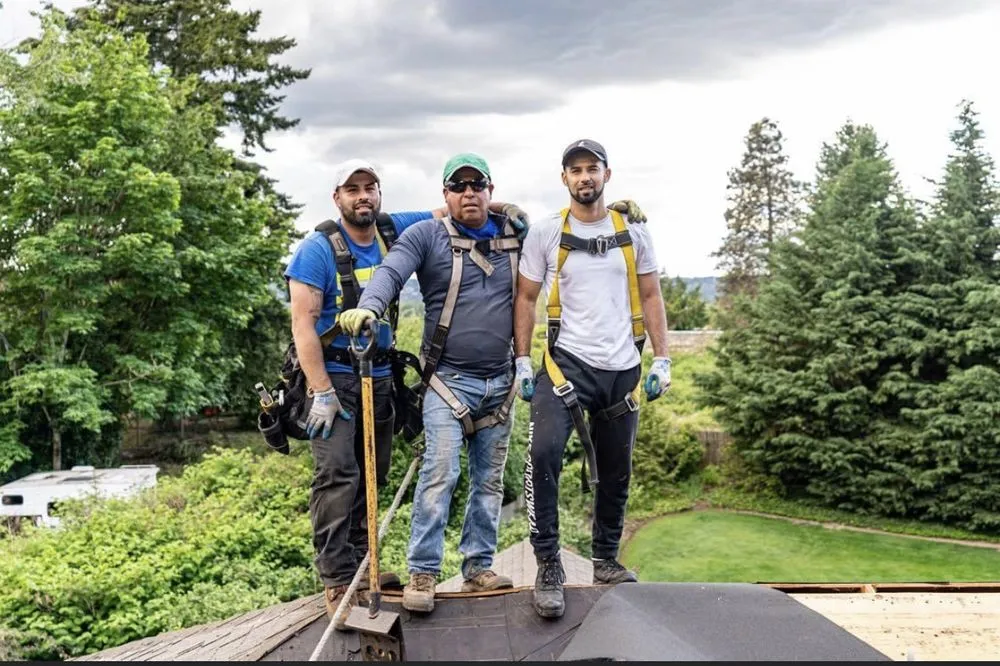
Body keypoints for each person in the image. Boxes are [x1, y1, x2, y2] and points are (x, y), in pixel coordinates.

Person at [340, 152, 651, 614]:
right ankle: (423, 572)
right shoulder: (425, 236)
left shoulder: (515, 234)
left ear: (490, 189)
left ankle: (477, 566)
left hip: (502, 382)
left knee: (489, 482)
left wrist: (614, 214)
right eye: (459, 186)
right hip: (447, 381)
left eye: (478, 185)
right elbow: (392, 270)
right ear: (445, 194)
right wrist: (370, 304)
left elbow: (572, 224)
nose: (470, 193)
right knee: (440, 474)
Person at [284, 158, 525, 627]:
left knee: (371, 475)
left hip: (379, 376)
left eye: (370, 187)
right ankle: (338, 579)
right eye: (352, 189)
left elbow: (457, 207)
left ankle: (365, 563)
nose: (363, 196)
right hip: (332, 377)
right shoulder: (317, 249)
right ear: (337, 197)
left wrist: (508, 207)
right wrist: (320, 391)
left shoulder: (394, 229)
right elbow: (302, 325)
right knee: (338, 477)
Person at [512, 139, 672, 619]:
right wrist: (522, 361)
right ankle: (547, 564)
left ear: (607, 174)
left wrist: (662, 359)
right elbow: (525, 298)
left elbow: (650, 294)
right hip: (567, 364)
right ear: (564, 179)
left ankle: (605, 559)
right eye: (575, 170)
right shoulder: (545, 234)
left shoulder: (634, 232)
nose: (585, 177)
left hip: (623, 366)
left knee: (616, 468)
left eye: (592, 169)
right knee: (543, 454)